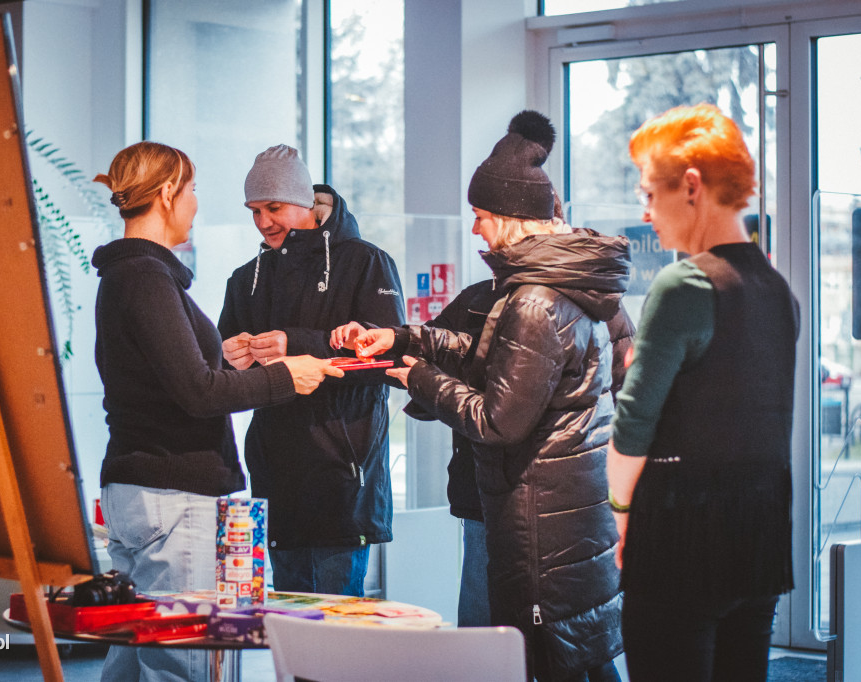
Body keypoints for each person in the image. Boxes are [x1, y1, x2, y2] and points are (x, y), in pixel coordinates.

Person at [333, 111, 627, 681]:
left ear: (514, 220)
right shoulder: (564, 287)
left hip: (540, 523)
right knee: (580, 662)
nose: (475, 231)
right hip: (566, 518)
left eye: (482, 217)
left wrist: (416, 376)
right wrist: (400, 336)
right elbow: (492, 356)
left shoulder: (534, 300)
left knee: (548, 663)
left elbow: (497, 422)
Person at [90, 141, 342, 682]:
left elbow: (163, 378)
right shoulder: (146, 278)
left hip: (142, 490)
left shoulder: (127, 277)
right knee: (181, 665)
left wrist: (218, 357)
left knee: (136, 655)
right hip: (173, 496)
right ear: (165, 195)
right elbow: (199, 394)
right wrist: (285, 376)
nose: (196, 203)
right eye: (193, 190)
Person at [606, 103, 799, 682]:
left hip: (680, 535)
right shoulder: (778, 290)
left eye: (649, 193)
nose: (646, 212)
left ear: (691, 186)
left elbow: (634, 425)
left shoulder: (684, 283)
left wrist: (619, 518)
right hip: (761, 530)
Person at [411, 191, 635, 629]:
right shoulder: (481, 299)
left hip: (545, 492)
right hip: (491, 490)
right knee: (499, 634)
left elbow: (622, 394)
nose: (477, 231)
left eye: (482, 218)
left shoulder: (546, 303)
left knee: (541, 636)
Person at [217, 144, 405, 597]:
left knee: (339, 643)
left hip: (342, 481)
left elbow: (390, 360)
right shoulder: (245, 279)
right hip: (274, 481)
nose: (263, 222)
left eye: (273, 207)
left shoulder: (365, 262)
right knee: (290, 635)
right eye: (254, 210)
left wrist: (295, 344)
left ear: (304, 202)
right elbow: (223, 380)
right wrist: (230, 359)